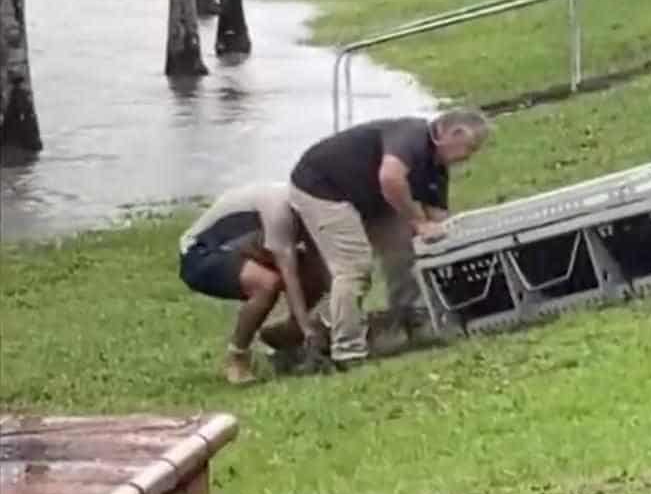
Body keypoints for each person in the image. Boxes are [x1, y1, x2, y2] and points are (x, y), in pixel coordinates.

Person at [289, 110, 492, 369]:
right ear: (454, 134)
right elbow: (391, 178)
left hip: (369, 194)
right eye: (471, 148)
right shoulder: (412, 136)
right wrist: (418, 221)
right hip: (323, 187)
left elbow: (440, 220)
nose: (469, 157)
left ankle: (411, 319)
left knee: (407, 249)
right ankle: (347, 349)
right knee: (355, 267)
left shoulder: (436, 168)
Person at [178, 182, 329, 385]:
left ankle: (284, 337)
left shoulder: (311, 208)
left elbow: (321, 262)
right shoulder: (278, 206)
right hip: (200, 253)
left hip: (245, 247)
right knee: (267, 284)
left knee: (315, 274)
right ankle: (237, 356)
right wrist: (308, 329)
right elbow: (288, 272)